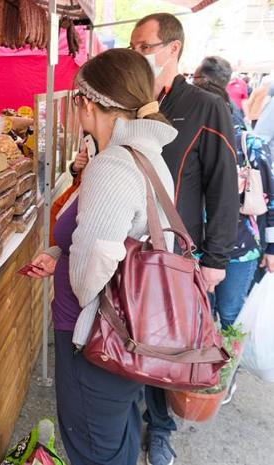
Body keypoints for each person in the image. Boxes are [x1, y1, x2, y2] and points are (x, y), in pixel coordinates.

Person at [28, 48, 177, 465]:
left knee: (94, 449)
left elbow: (89, 272)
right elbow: (119, 241)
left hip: (96, 341)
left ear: (87, 103)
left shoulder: (112, 166)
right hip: (131, 334)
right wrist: (62, 253)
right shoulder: (148, 156)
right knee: (118, 436)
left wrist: (70, 263)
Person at [130, 13, 240, 465]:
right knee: (126, 337)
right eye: (133, 48)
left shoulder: (204, 106)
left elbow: (223, 187)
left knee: (168, 347)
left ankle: (160, 428)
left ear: (172, 48)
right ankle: (126, 417)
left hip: (176, 255)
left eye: (144, 47)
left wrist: (216, 259)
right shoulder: (130, 100)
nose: (137, 55)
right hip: (127, 248)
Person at [194, 57, 274, 402]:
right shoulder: (192, 142)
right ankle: (202, 373)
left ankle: (226, 377)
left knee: (229, 315)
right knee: (200, 315)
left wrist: (271, 248)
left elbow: (271, 199)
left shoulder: (249, 145)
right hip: (197, 248)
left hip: (240, 252)